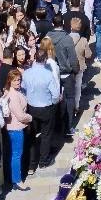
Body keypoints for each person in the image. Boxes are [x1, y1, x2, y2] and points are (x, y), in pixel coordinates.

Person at [22, 46, 60, 174]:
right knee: (46, 135)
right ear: (44, 60)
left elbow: (23, 89)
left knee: (32, 136)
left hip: (31, 107)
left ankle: (32, 165)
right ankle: (43, 161)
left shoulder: (26, 73)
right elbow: (55, 94)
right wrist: (54, 102)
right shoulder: (48, 74)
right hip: (46, 108)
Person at [0, 68, 31, 191]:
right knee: (16, 155)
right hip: (16, 128)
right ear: (10, 81)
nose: (18, 82)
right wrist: (31, 117)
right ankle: (17, 180)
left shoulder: (13, 92)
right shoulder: (12, 95)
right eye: (15, 80)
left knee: (14, 154)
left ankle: (13, 178)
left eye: (19, 79)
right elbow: (20, 115)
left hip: (15, 127)